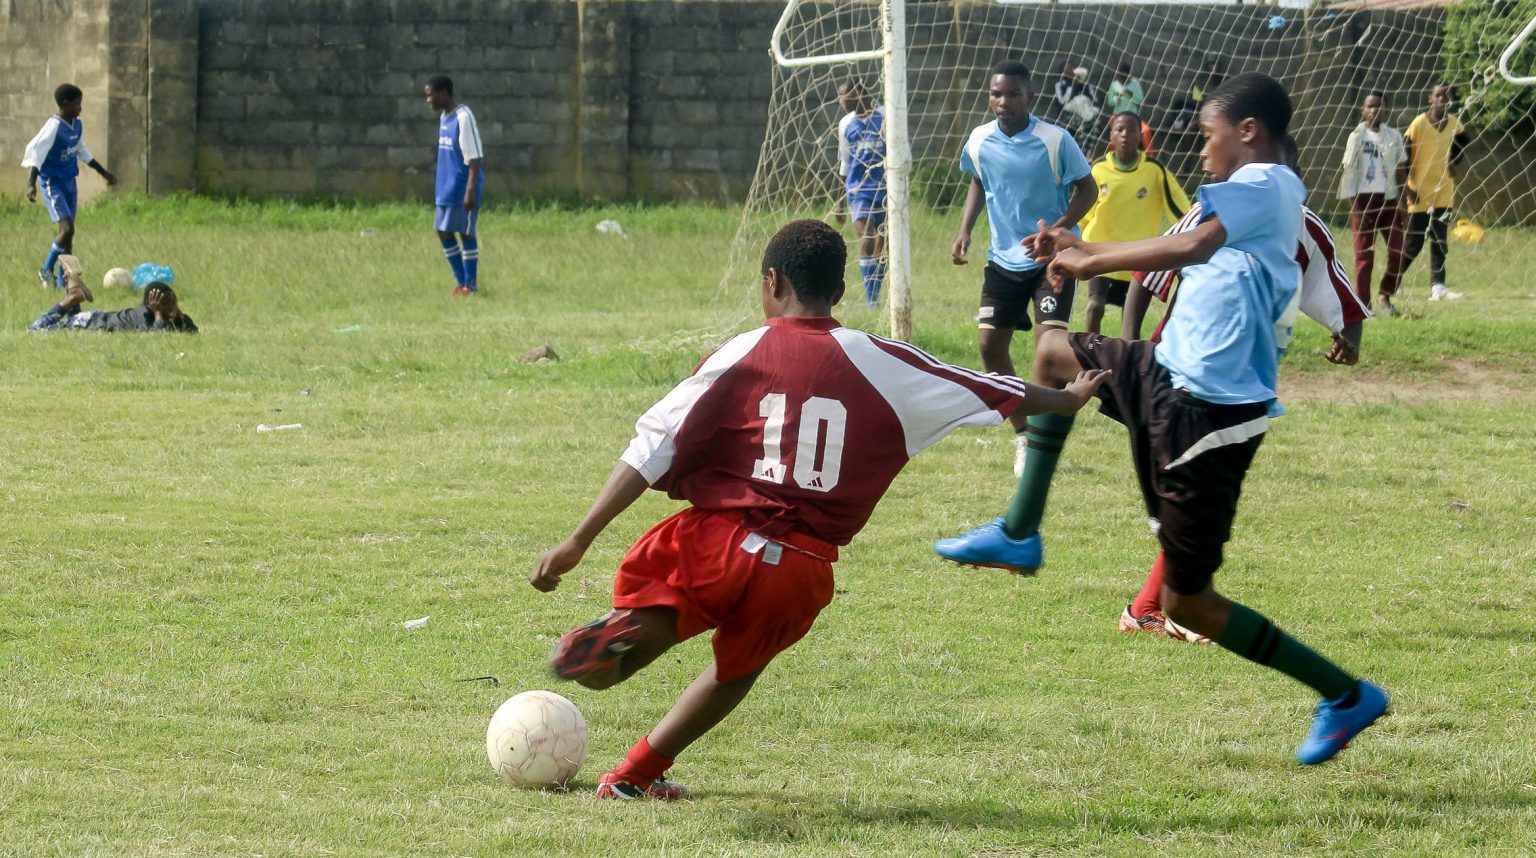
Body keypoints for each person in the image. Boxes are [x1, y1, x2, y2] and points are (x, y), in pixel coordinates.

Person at [529, 219, 1108, 800]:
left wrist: (580, 539)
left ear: (772, 282)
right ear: (839, 291)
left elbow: (654, 444)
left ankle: (618, 639)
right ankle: (633, 775)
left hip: (717, 540)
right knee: (736, 671)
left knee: (652, 626)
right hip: (799, 567)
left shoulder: (745, 348)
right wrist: (1066, 396)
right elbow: (985, 384)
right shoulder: (880, 358)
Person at [936, 73, 1388, 765]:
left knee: (1188, 604)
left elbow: (1188, 249)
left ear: (1249, 132)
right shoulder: (1247, 192)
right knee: (1054, 352)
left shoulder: (1268, 184)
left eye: (1209, 137)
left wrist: (1083, 258)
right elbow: (1185, 241)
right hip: (1165, 372)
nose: (1200, 151)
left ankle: (1346, 695)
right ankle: (1020, 533)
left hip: (1207, 416)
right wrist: (1073, 245)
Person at [1119, 201, 1369, 641]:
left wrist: (1349, 341)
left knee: (1194, 494)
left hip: (1237, 387)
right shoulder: (1209, 212)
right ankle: (1157, 608)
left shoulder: (1303, 226)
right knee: (1192, 495)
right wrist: (1129, 349)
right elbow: (1146, 276)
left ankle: (1150, 607)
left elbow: (1342, 300)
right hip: (1175, 370)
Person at [953, 60, 1097, 479]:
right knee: (988, 348)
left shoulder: (1056, 140)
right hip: (1002, 261)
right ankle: (1024, 433)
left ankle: (1047, 440)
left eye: (1013, 94)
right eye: (997, 94)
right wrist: (964, 229)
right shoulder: (979, 140)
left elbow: (1086, 188)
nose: (1004, 101)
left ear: (1028, 97)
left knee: (1048, 348)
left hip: (1048, 261)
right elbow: (979, 180)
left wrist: (1059, 229)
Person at [1077, 113, 1189, 336]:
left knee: (1130, 324)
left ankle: (1126, 364)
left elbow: (1180, 209)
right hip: (1101, 253)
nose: (1125, 135)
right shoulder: (1099, 169)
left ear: (1140, 136)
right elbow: (1085, 213)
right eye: (1119, 129)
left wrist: (1191, 233)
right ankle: (1089, 357)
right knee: (1094, 307)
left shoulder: (1154, 171)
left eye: (1131, 130)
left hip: (1136, 257)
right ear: (1111, 135)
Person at [1381, 83, 1470, 306]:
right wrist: (1408, 188)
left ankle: (1438, 286)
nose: (1443, 99)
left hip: (1444, 190)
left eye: (1447, 96)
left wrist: (1453, 161)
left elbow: (1463, 142)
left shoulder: (1454, 124)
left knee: (1440, 240)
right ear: (1431, 98)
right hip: (1419, 191)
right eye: (1439, 95)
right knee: (1413, 242)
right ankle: (1394, 282)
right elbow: (1404, 155)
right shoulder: (1419, 124)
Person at [21, 83, 117, 290]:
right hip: (52, 183)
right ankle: (46, 270)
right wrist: (31, 185)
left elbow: (82, 152)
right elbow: (36, 153)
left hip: (69, 183)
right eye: (77, 104)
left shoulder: (77, 125)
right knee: (67, 229)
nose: (80, 108)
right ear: (65, 104)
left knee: (69, 235)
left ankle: (63, 281)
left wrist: (103, 173)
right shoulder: (53, 126)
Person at [1338, 91, 1408, 312]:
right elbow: (1348, 172)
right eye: (1370, 106)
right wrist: (1355, 207)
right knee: (1364, 257)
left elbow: (1400, 169)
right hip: (1363, 201)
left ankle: (1385, 296)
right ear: (1363, 110)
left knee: (1399, 251)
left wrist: (1403, 203)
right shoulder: (1356, 137)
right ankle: (1363, 305)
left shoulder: (1394, 136)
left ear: (1385, 109)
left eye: (1378, 106)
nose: (1374, 111)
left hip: (1388, 200)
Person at [424, 75, 485, 296]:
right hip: (446, 188)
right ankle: (461, 283)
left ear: (443, 93)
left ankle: (471, 285)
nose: (428, 100)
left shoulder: (463, 116)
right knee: (443, 231)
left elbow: (475, 157)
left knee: (466, 233)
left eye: (430, 95)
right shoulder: (444, 117)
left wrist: (470, 190)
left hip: (462, 188)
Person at [29, 256, 197, 333]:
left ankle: (73, 288)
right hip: (90, 324)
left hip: (93, 318)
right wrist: (159, 314)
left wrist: (178, 313)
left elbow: (192, 331)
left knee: (71, 320)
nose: (172, 308)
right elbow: (154, 338)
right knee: (35, 329)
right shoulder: (144, 315)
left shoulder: (169, 316)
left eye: (173, 302)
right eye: (167, 305)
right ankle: (72, 298)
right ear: (151, 304)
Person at [833, 81, 888, 306]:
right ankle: (871, 301)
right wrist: (839, 202)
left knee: (882, 242)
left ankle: (875, 291)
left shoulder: (885, 116)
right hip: (858, 189)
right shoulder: (846, 124)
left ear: (858, 93)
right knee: (866, 236)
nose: (841, 101)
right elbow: (844, 163)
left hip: (885, 187)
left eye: (844, 95)